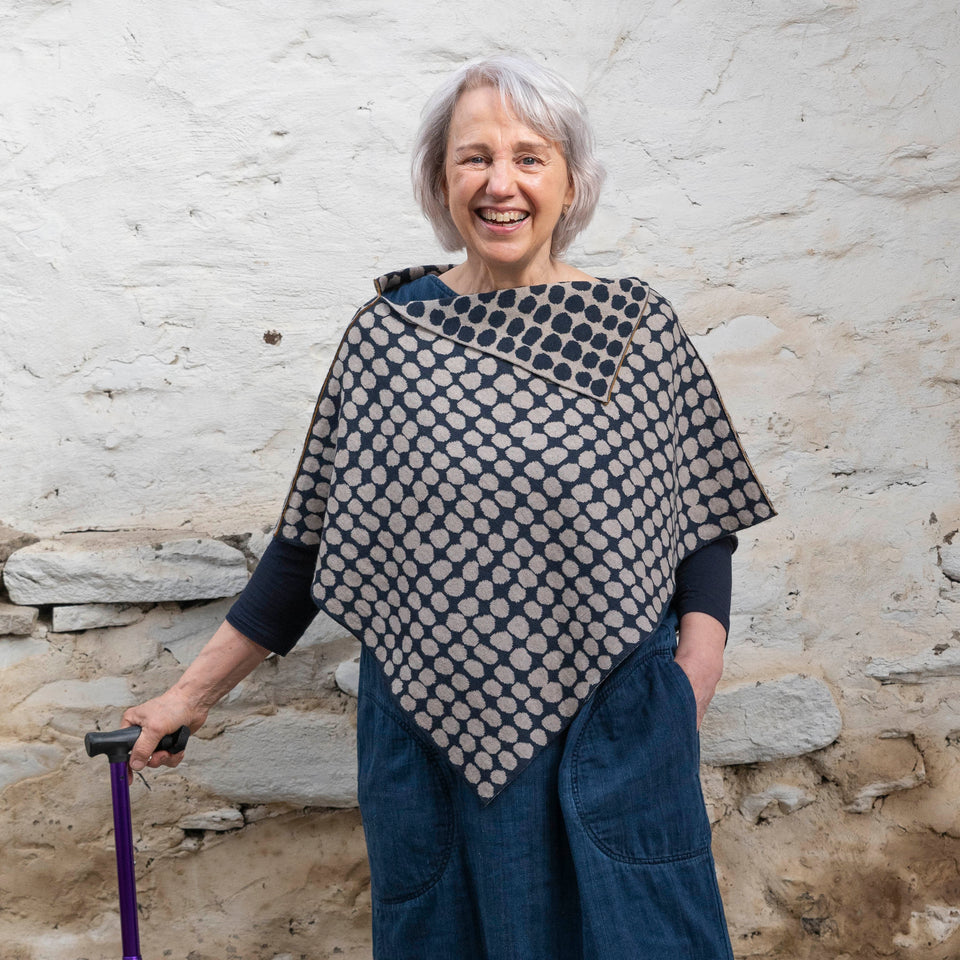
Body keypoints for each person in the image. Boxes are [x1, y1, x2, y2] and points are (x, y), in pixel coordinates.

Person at [124, 54, 775, 960]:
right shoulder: (389, 339)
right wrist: (187, 697)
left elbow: (703, 517)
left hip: (612, 727)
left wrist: (689, 677)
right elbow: (310, 544)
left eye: (530, 157)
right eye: (474, 158)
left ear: (571, 180)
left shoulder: (635, 330)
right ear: (441, 179)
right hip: (432, 733)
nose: (500, 183)